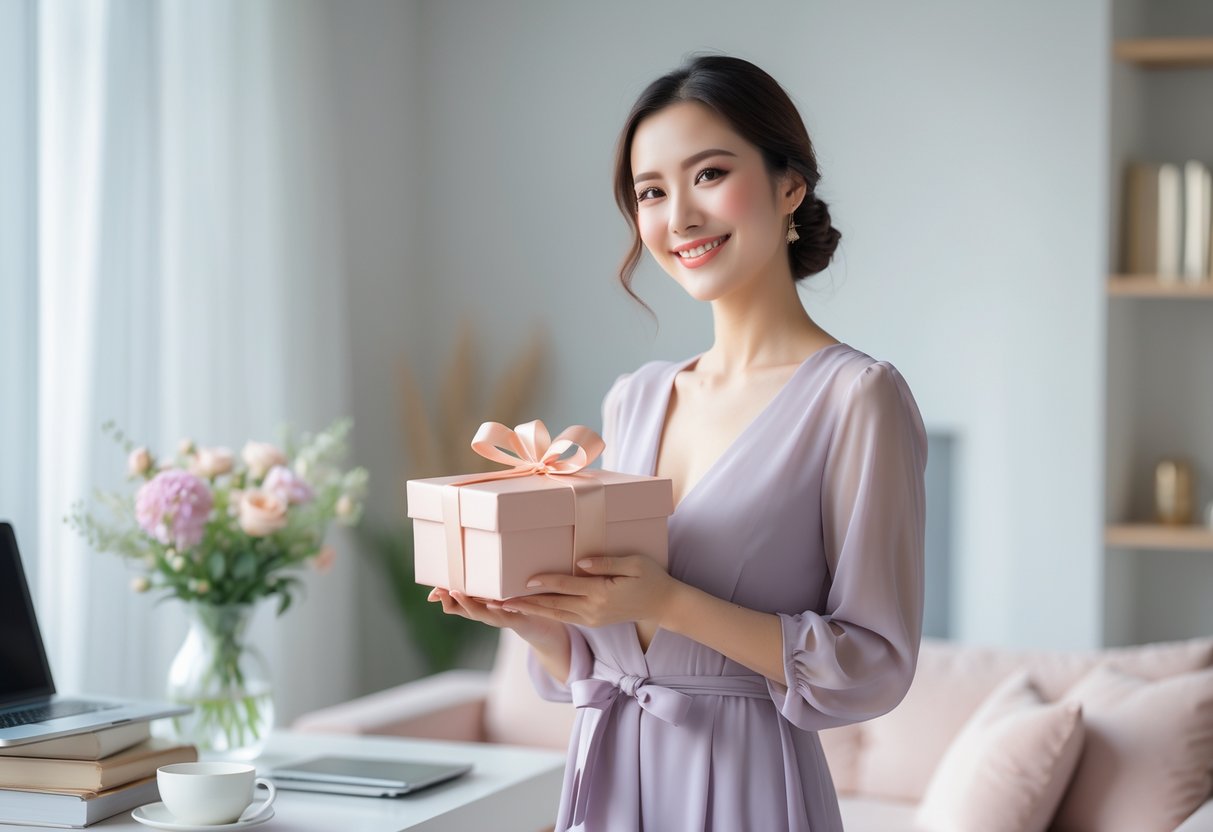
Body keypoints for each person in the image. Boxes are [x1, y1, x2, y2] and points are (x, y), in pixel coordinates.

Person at [428, 54, 927, 832]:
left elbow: (872, 664)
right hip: (608, 774)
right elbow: (602, 662)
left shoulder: (856, 398)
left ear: (788, 184)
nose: (679, 219)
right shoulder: (635, 397)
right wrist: (531, 620)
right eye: (651, 193)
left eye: (708, 174)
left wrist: (668, 601)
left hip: (747, 784)